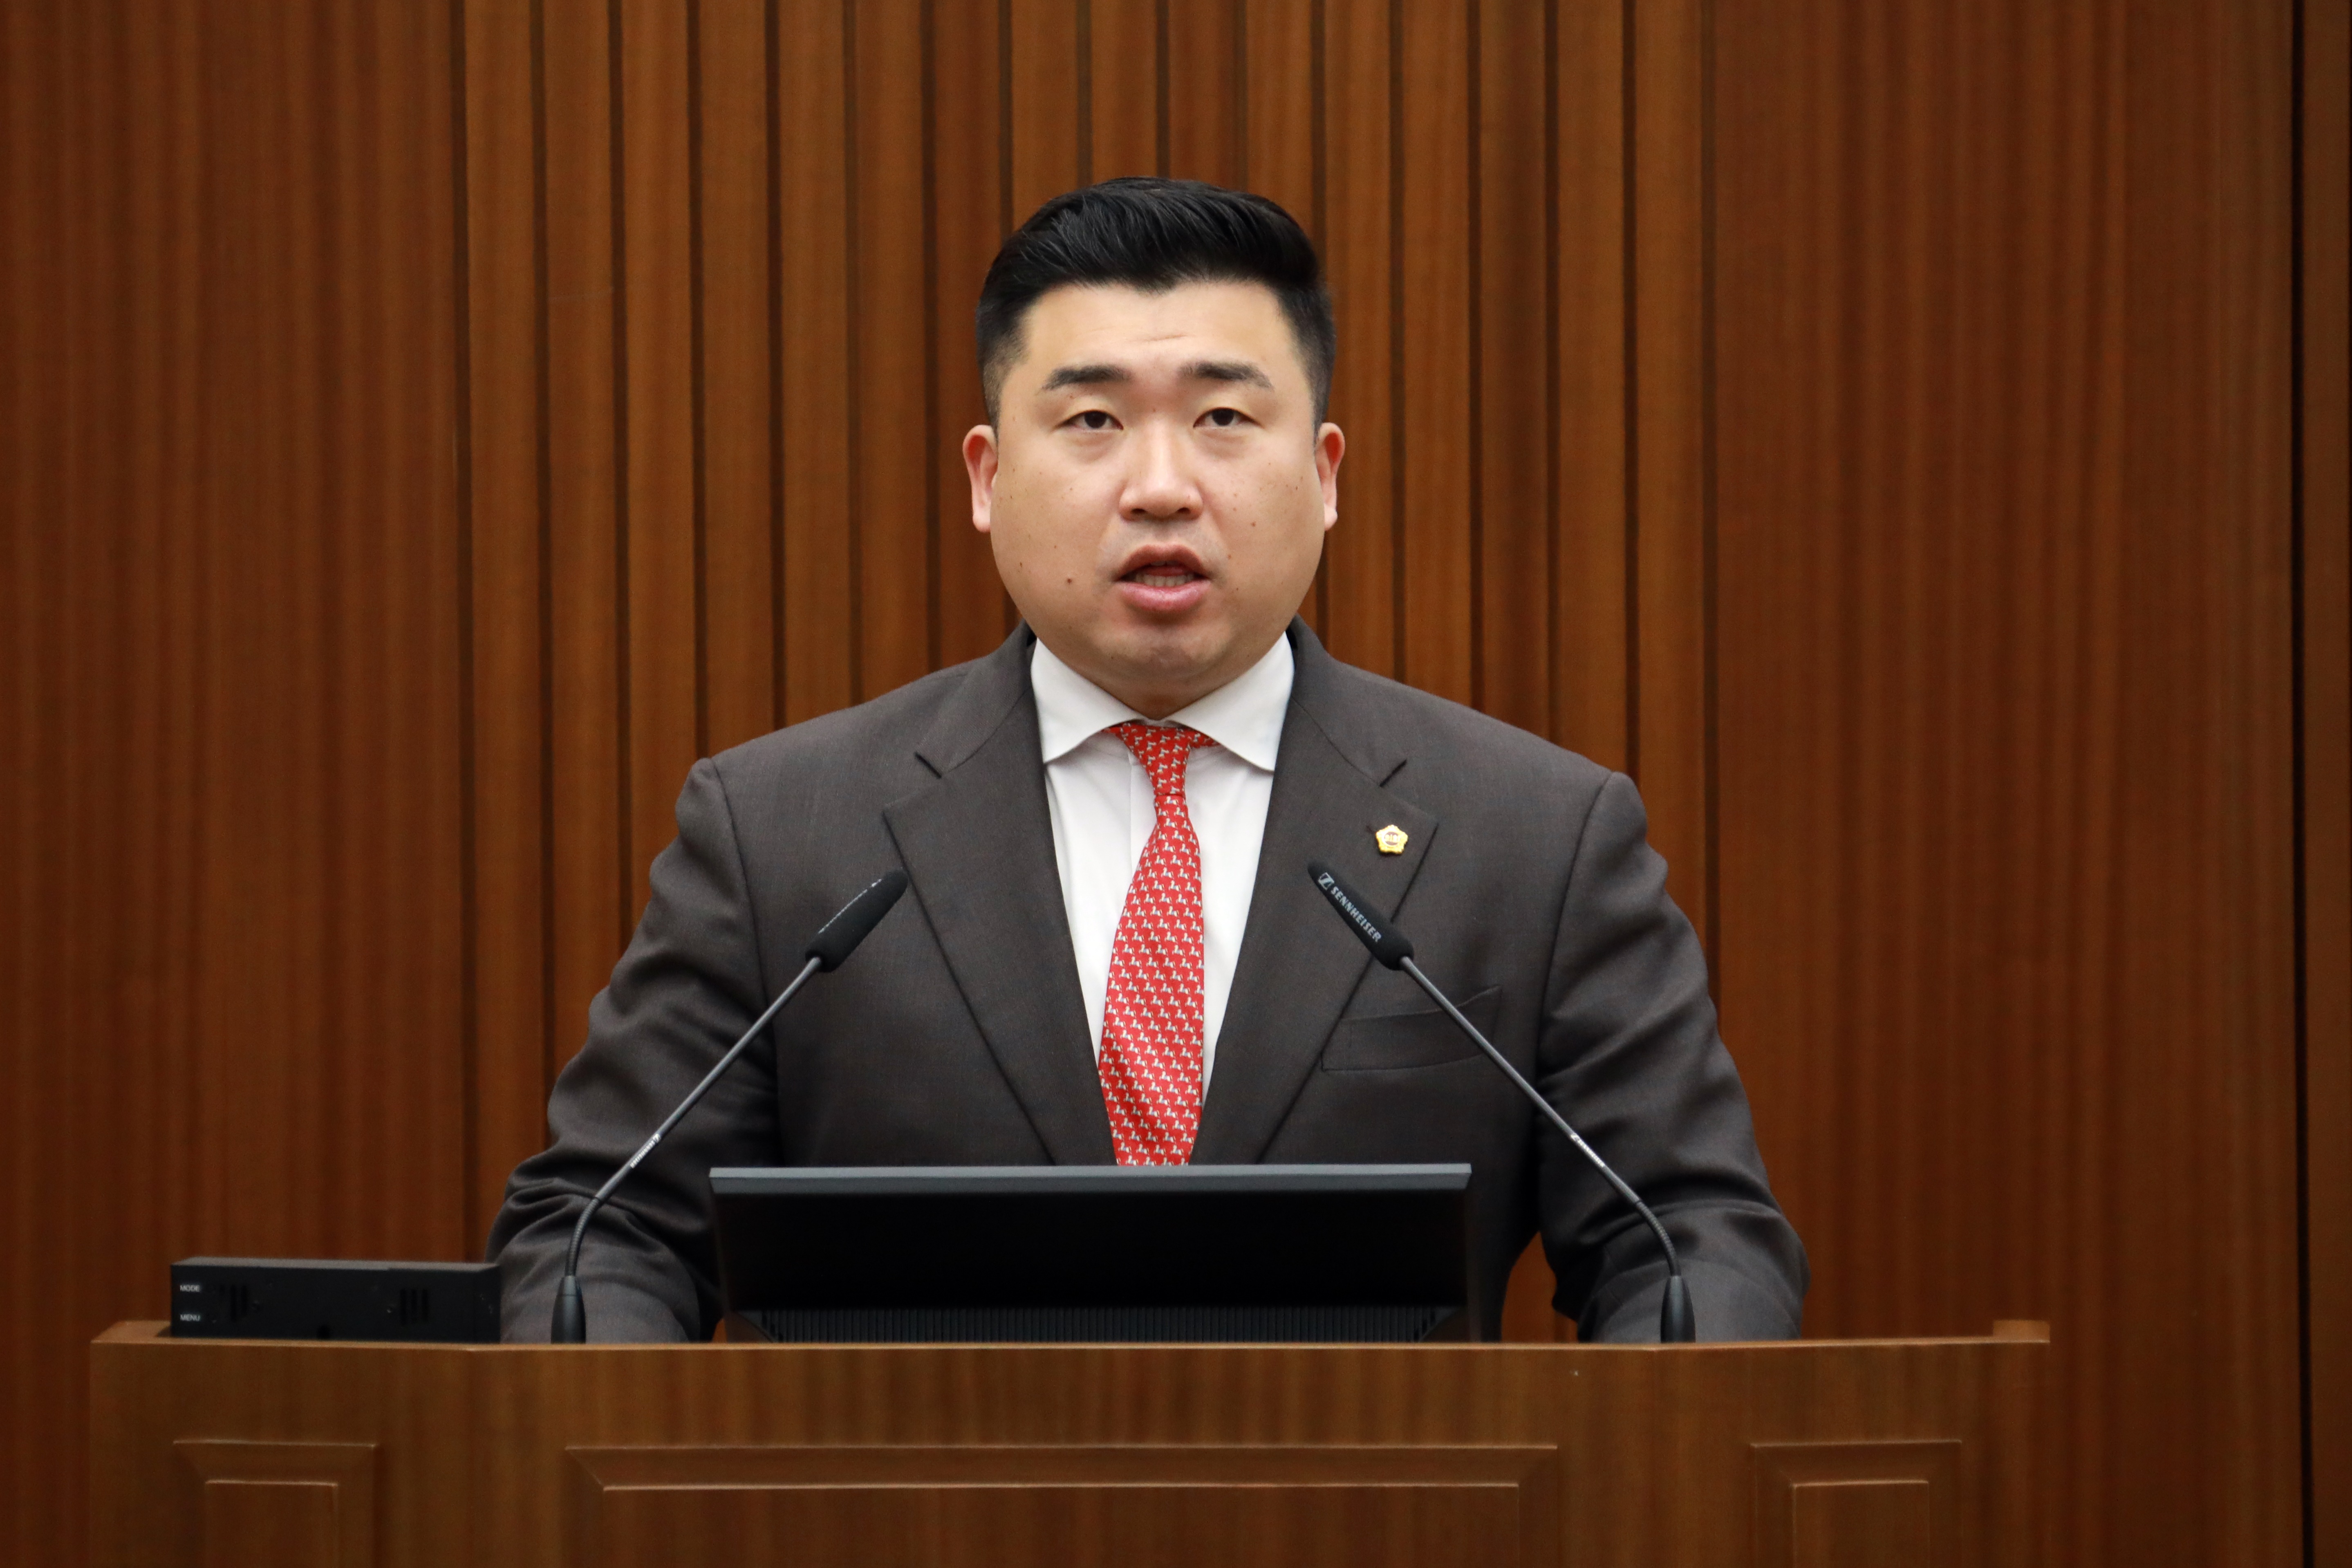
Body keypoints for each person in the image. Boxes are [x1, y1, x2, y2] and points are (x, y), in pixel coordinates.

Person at [488, 177, 1806, 1342]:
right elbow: (604, 1228)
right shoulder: (782, 832)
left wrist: (1633, 1469)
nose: (1162, 485)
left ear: (1324, 472)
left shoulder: (1535, 835)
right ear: (986, 477)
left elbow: (1688, 1234)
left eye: (1224, 416)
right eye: (1092, 422)